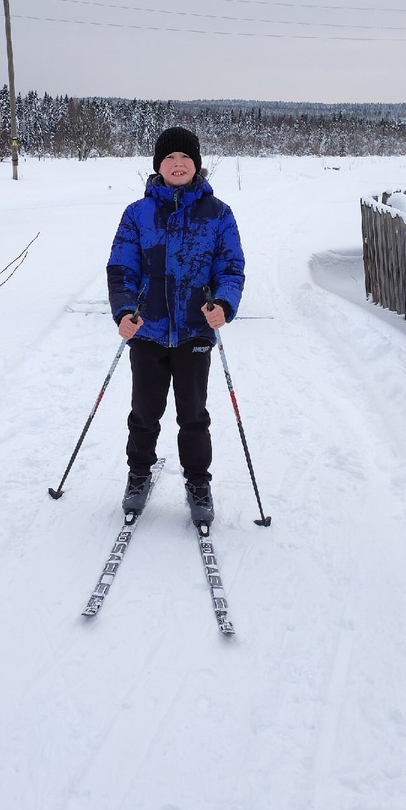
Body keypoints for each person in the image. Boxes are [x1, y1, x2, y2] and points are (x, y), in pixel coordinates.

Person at [106, 127, 245, 527]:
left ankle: (198, 481)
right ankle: (138, 475)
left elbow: (231, 268)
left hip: (194, 332)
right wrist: (124, 311)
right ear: (158, 166)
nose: (178, 164)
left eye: (185, 157)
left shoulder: (218, 214)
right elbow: (121, 268)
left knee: (193, 414)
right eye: (169, 158)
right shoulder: (137, 214)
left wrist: (223, 304)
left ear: (197, 164)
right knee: (144, 412)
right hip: (147, 330)